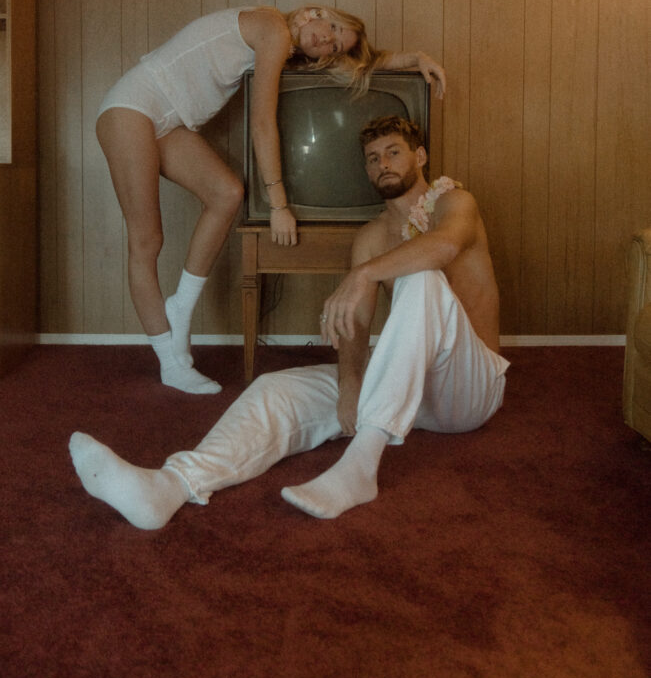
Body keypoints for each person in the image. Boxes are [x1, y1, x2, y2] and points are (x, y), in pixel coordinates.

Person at [69, 115, 509, 527]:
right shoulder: (372, 237)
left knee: (422, 279)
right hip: (409, 385)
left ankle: (360, 466)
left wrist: (364, 273)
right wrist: (351, 384)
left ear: (421, 157)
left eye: (394, 152)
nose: (383, 164)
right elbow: (355, 326)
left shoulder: (455, 201)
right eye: (373, 159)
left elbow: (445, 247)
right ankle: (169, 487)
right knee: (274, 388)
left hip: (471, 387)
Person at [95, 6, 446, 394]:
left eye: (332, 46)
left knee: (227, 192)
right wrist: (279, 206)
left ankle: (180, 306)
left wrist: (415, 58)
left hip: (168, 120)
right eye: (331, 27)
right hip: (131, 108)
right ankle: (169, 359)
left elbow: (366, 61)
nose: (325, 40)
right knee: (147, 241)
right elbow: (263, 123)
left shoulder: (289, 45)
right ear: (316, 12)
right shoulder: (272, 28)